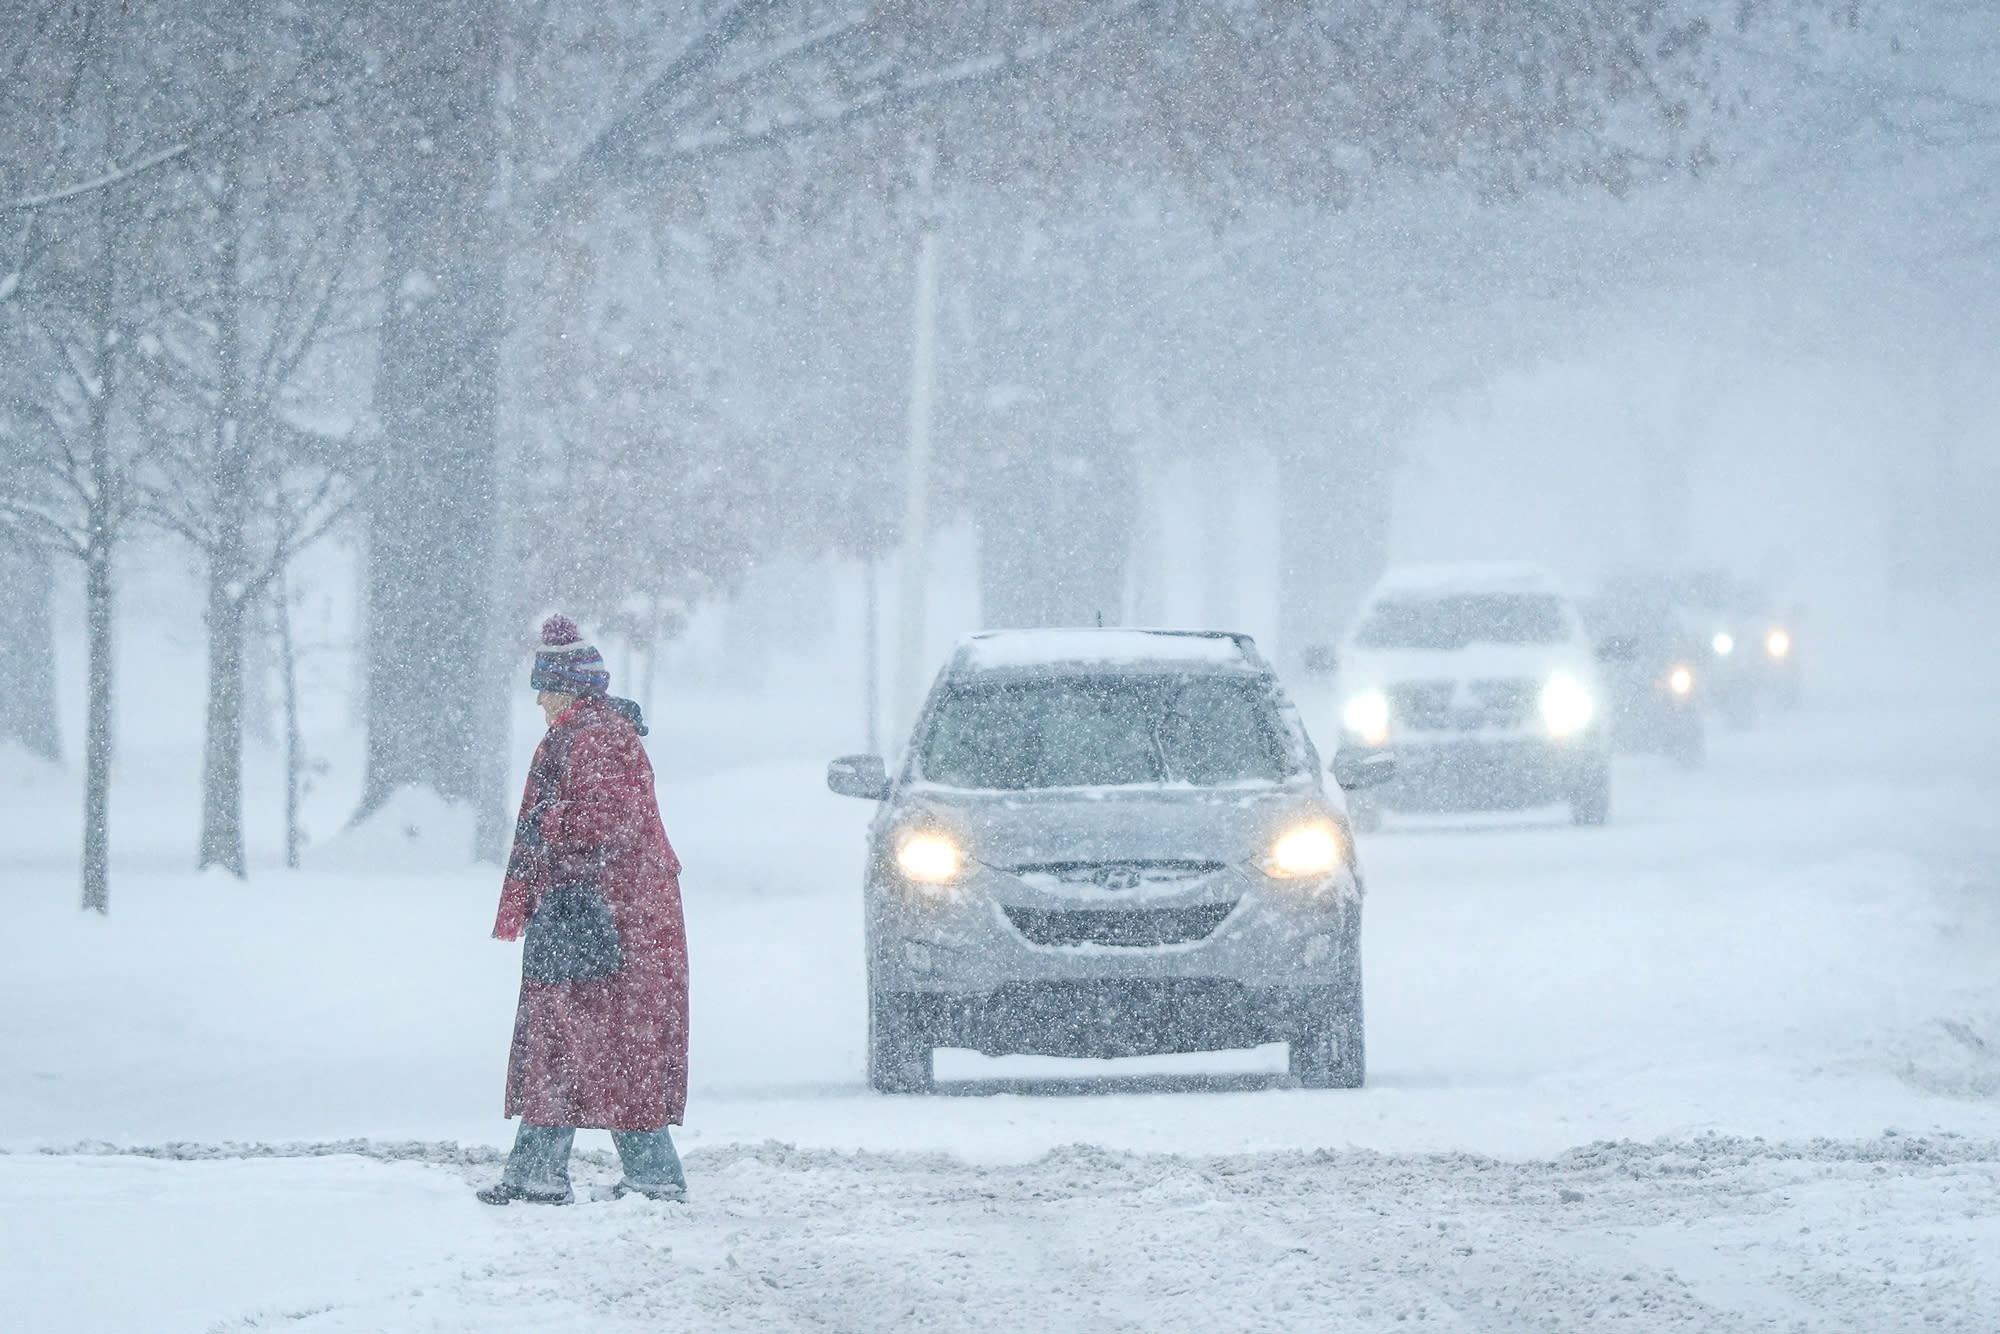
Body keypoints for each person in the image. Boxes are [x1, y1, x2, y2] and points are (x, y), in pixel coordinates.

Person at [477, 614, 691, 1205]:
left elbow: (600, 823)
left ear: (568, 687)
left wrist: (547, 826)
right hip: (604, 914)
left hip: (609, 919)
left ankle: (567, 1175)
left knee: (583, 1041)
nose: (540, 700)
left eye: (545, 687)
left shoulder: (595, 736)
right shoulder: (591, 731)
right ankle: (613, 1176)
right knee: (597, 1045)